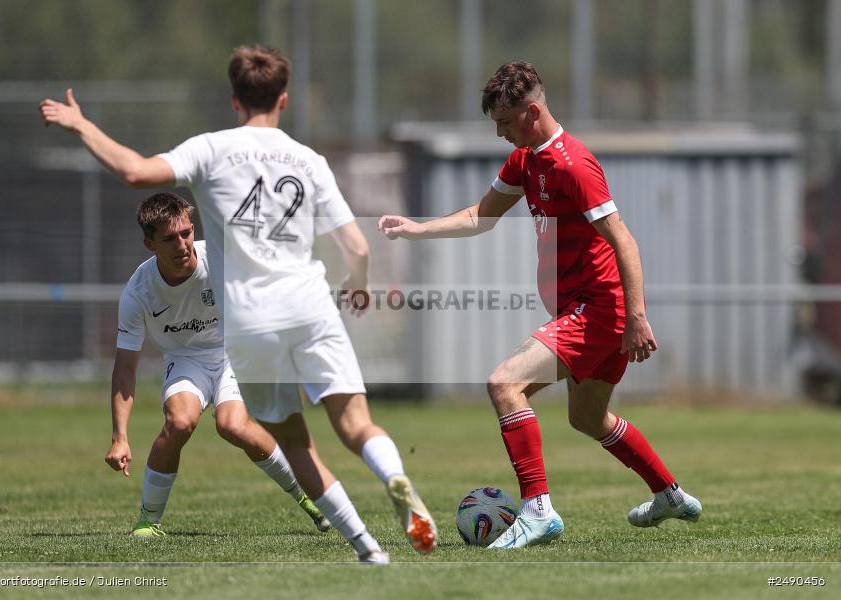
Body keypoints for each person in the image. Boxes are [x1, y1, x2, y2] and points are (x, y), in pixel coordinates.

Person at [39, 45, 435, 563]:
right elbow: (358, 247)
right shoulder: (308, 159)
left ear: (234, 100)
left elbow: (135, 171)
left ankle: (367, 548)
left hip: (252, 320)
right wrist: (355, 283)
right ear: (284, 99)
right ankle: (396, 478)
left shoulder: (211, 149)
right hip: (311, 303)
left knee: (296, 444)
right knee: (356, 425)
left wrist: (82, 127)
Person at [378, 61, 702, 549]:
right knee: (588, 419)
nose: (500, 134)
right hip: (587, 310)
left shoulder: (573, 164)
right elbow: (482, 216)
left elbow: (624, 241)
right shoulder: (524, 161)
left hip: (598, 309)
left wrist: (636, 317)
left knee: (504, 383)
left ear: (531, 113)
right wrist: (417, 228)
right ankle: (670, 494)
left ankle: (537, 511)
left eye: (505, 124)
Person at [108, 192, 329, 537]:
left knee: (232, 425)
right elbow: (125, 368)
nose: (182, 245)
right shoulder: (138, 293)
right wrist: (120, 437)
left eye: (186, 233)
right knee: (179, 422)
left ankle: (308, 497)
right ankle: (149, 521)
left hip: (232, 353)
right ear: (149, 244)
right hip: (185, 361)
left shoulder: (223, 262)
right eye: (169, 238)